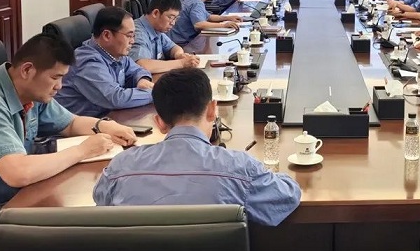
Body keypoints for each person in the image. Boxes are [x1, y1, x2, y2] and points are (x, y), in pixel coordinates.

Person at [0, 33, 137, 251]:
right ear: (27, 70)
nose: (59, 86)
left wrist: (105, 126)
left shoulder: (29, 91)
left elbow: (70, 123)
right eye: (55, 78)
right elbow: (17, 173)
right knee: (80, 238)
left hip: (19, 197)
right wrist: (82, 151)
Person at [93, 68, 301, 227]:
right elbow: (288, 196)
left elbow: (101, 202)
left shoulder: (120, 167)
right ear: (212, 110)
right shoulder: (240, 168)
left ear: (160, 123)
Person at [55, 7, 154, 117]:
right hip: (78, 125)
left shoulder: (115, 53)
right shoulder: (87, 62)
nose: (132, 41)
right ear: (107, 35)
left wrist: (142, 79)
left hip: (107, 117)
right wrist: (155, 94)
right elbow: (115, 98)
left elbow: (136, 70)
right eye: (129, 36)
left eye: (133, 36)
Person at [129, 0, 199, 74]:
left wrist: (179, 55)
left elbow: (174, 47)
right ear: (155, 13)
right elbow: (143, 65)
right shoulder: (137, 32)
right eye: (170, 17)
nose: (173, 23)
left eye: (175, 19)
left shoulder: (157, 29)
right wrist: (181, 63)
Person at [169, 0, 241, 45]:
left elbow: (208, 16)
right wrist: (224, 25)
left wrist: (228, 18)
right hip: (183, 41)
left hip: (175, 38)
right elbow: (199, 24)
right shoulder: (196, 3)